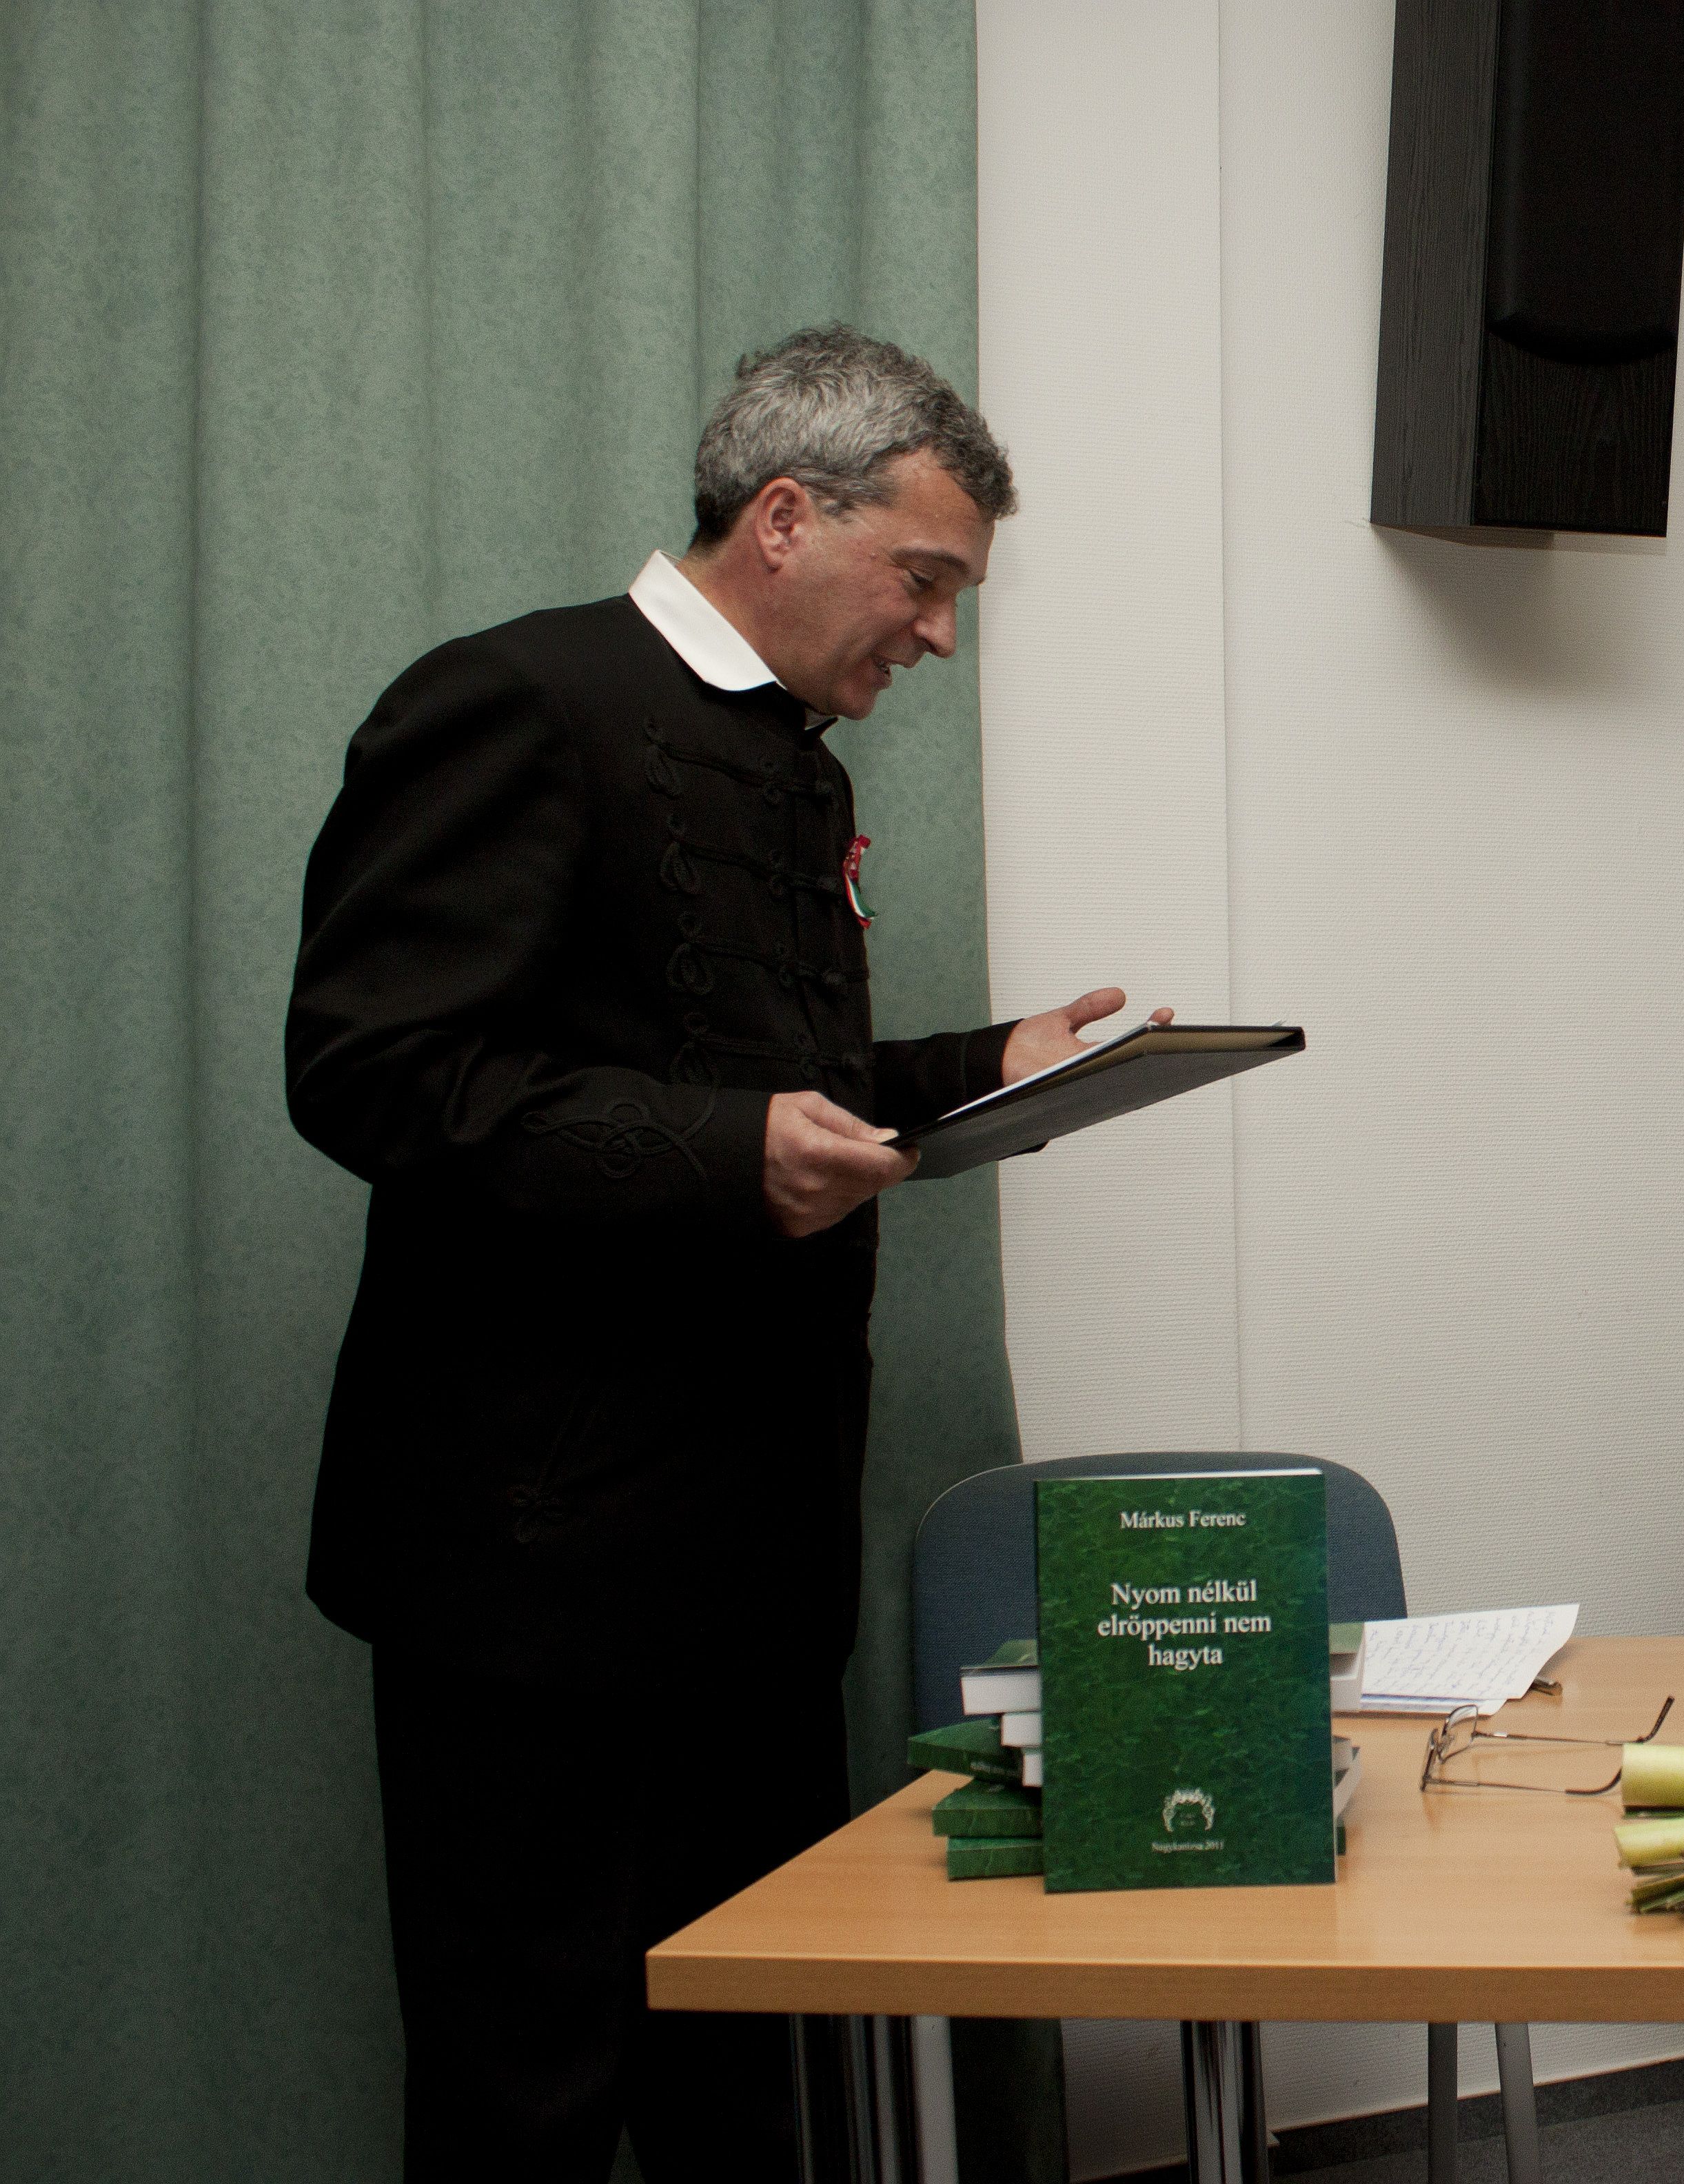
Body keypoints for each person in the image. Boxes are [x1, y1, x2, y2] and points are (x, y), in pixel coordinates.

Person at [287, 326, 1151, 2183]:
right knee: (522, 2095)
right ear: (781, 519)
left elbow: (773, 1089)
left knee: (747, 2094)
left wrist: (982, 1070)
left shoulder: (797, 767)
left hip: (747, 1572)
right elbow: (374, 1070)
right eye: (924, 579)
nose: (940, 636)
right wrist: (724, 1153)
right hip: (532, 1575)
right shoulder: (515, 699)